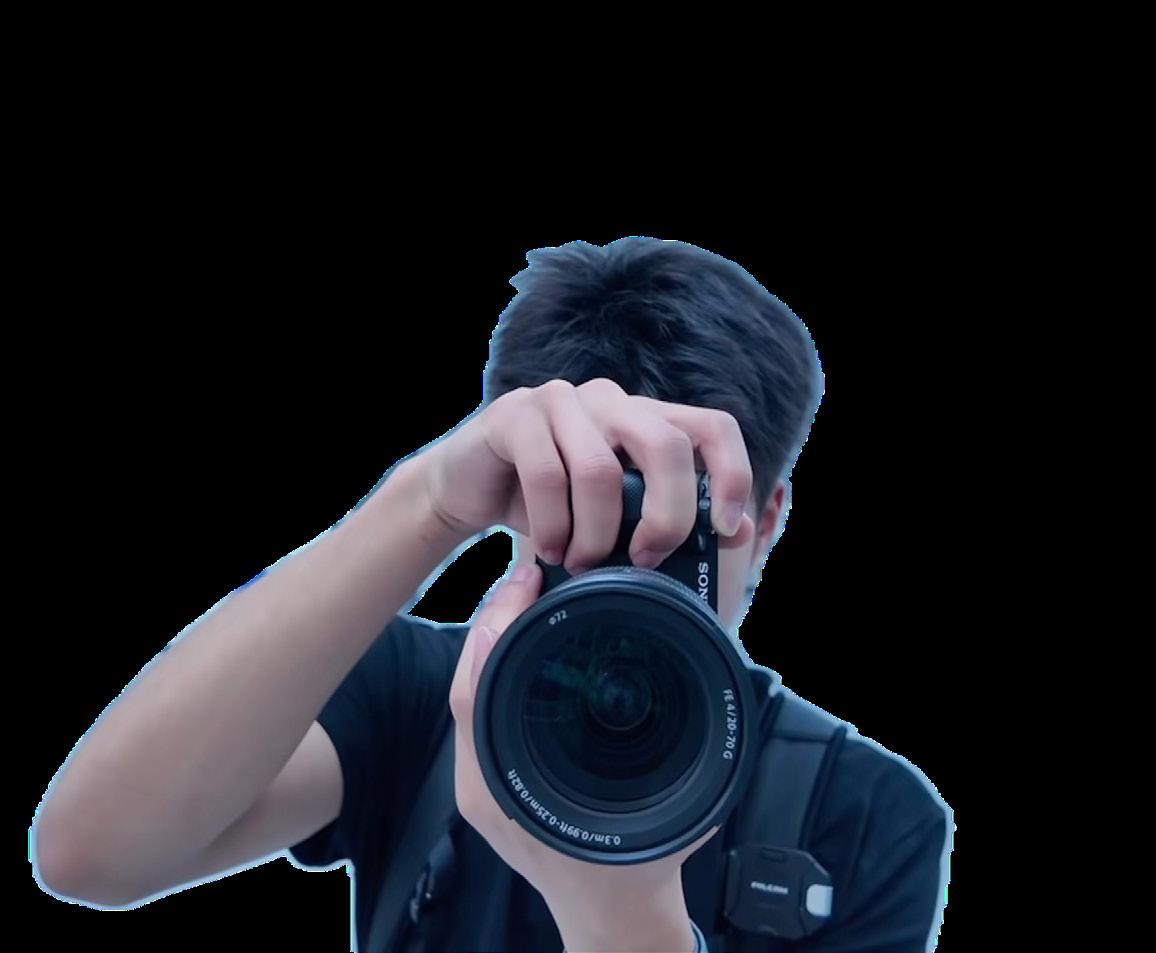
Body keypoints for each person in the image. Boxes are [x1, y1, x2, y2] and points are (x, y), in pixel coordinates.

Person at [32, 237, 955, 951]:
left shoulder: (862, 813)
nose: (631, 563)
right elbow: (92, 854)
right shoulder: (420, 696)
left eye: (686, 526)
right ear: (518, 487)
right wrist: (425, 502)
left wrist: (620, 912)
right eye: (592, 502)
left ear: (769, 512)